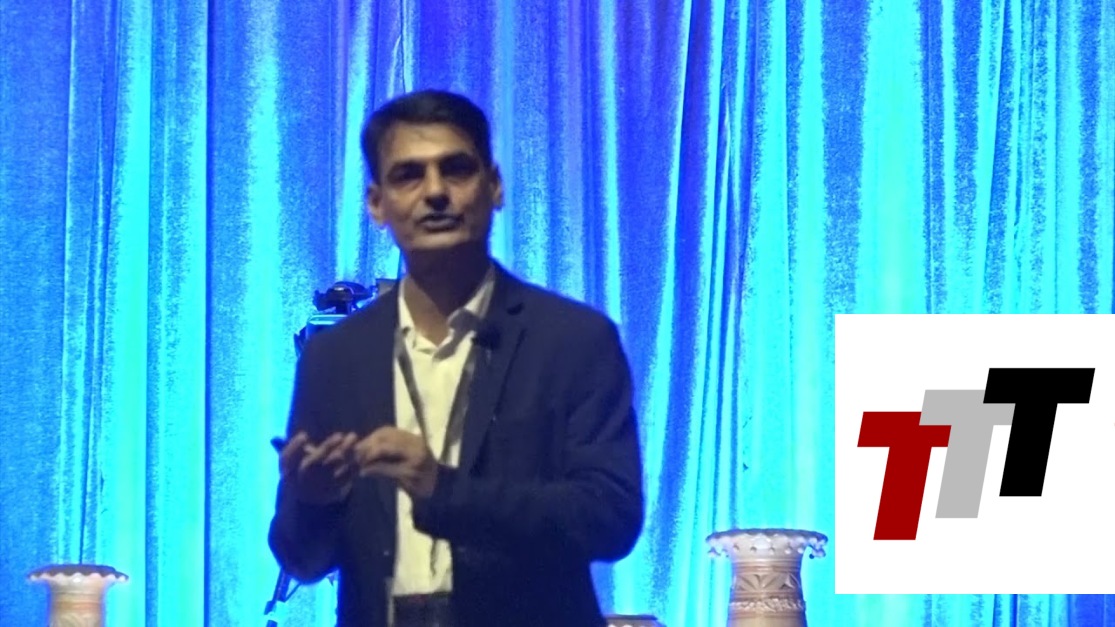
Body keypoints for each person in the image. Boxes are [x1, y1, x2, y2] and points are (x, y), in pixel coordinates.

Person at [268, 89, 645, 627]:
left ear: (495, 186)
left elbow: (611, 518)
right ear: (376, 204)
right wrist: (314, 499)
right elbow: (301, 560)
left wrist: (444, 491)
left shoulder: (575, 340)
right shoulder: (335, 355)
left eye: (456, 169)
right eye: (408, 175)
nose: (435, 192)